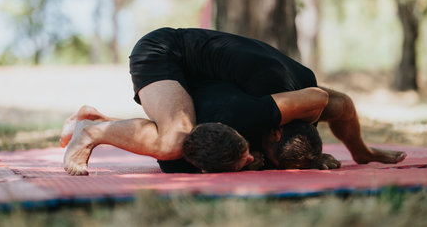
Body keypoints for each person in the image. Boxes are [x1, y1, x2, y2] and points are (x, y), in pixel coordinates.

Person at [61, 27, 406, 175]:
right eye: (267, 156)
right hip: (164, 52)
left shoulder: (298, 102)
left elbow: (340, 104)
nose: (258, 158)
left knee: (183, 120)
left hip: (202, 75)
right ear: (273, 129)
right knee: (175, 141)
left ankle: (98, 117)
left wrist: (359, 151)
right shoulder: (251, 112)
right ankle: (92, 132)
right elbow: (316, 98)